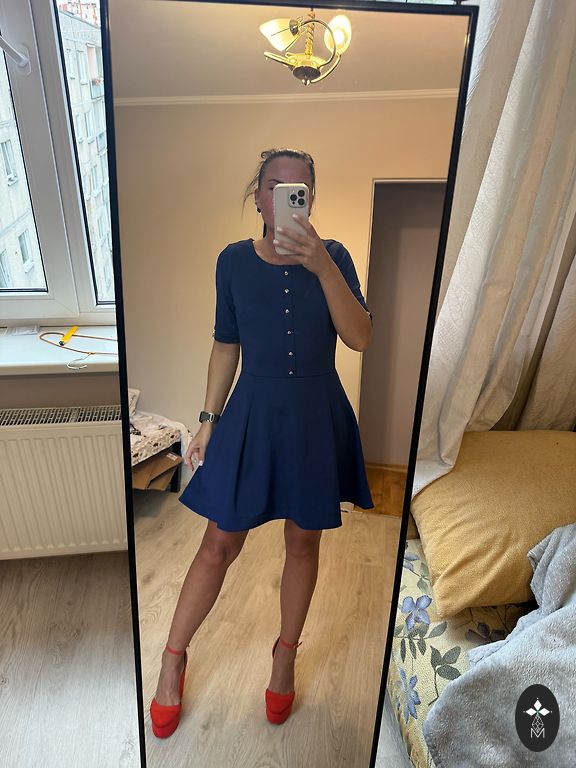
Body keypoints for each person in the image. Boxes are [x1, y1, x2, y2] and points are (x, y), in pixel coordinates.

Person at [150, 148, 374, 738]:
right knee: (217, 544)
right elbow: (226, 342)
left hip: (315, 416)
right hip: (252, 414)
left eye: (300, 189)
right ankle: (172, 658)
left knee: (303, 541)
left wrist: (322, 266)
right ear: (259, 198)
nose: (287, 197)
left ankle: (285, 655)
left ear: (310, 200)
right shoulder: (231, 261)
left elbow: (360, 337)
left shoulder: (336, 257)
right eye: (276, 186)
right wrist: (207, 419)